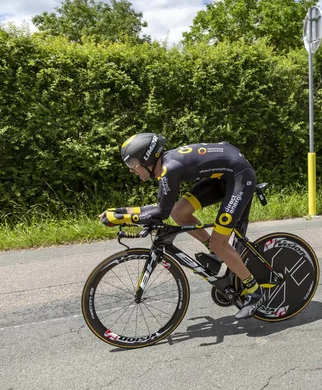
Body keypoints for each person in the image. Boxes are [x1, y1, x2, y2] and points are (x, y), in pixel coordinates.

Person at [99, 132, 264, 319]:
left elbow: (161, 213)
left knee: (220, 243)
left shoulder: (171, 168)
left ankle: (255, 291)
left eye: (133, 164)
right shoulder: (167, 166)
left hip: (240, 177)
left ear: (147, 159)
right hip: (225, 174)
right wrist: (120, 212)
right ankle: (216, 251)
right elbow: (164, 209)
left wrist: (121, 217)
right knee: (180, 213)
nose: (131, 170)